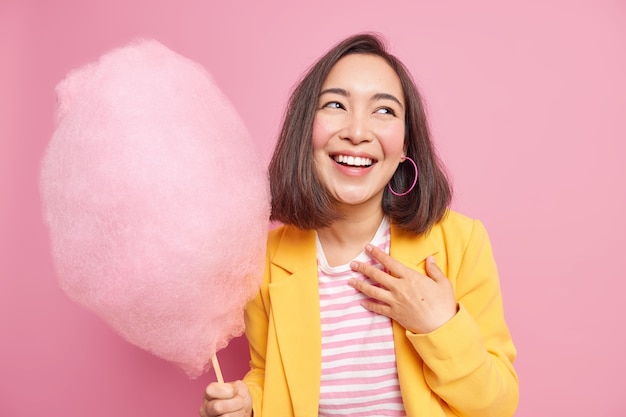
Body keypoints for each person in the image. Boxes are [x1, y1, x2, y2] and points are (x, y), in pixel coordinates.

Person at [199, 33, 518, 417]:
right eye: (335, 104)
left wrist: (439, 325)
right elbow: (272, 377)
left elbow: (497, 405)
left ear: (404, 147)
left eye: (383, 111)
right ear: (305, 130)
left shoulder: (461, 242)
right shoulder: (262, 261)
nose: (357, 131)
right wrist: (250, 403)